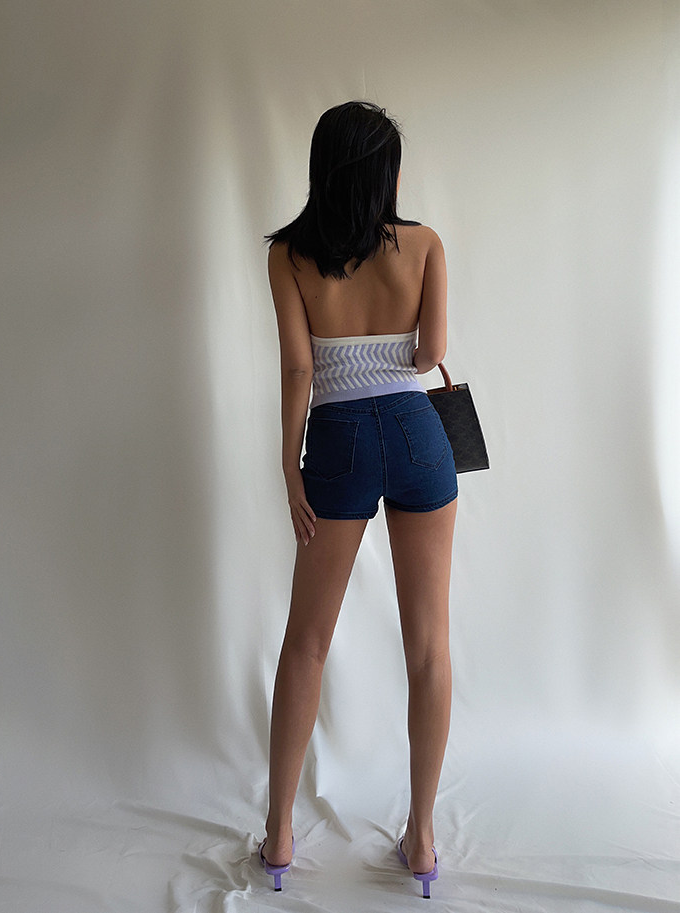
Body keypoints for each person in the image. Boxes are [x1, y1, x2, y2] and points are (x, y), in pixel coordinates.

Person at [259, 100, 458, 899]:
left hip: (337, 441)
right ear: (387, 174)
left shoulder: (288, 255)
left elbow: (298, 369)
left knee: (305, 642)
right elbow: (429, 353)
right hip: (416, 435)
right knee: (429, 646)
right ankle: (422, 837)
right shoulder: (425, 244)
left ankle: (278, 832)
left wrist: (289, 465)